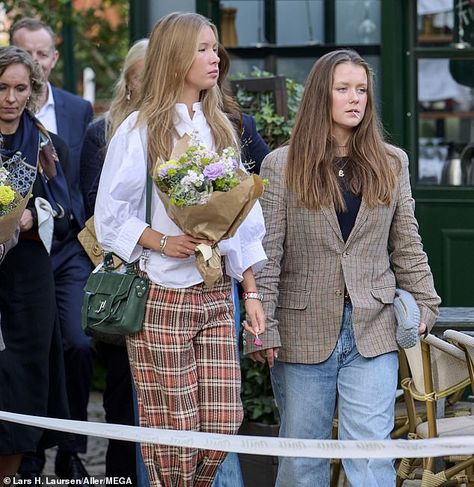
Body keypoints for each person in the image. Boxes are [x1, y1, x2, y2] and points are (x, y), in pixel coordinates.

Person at [245, 49, 441, 487]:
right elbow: (268, 254)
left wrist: (426, 304)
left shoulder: (391, 162)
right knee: (302, 459)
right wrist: (263, 327)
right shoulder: (282, 164)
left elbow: (407, 242)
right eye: (343, 89)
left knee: (371, 456)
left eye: (362, 90)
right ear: (321, 96)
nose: (356, 99)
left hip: (374, 329)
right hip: (301, 331)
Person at [94, 12, 267, 487]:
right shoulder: (139, 130)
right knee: (174, 427)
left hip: (215, 295)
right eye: (204, 49)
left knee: (222, 420)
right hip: (160, 295)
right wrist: (163, 240)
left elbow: (243, 221)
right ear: (175, 58)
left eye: (215, 48)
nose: (216, 58)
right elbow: (109, 216)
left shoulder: (222, 129)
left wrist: (250, 292)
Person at [10, 18, 94, 480]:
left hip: (67, 249)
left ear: (53, 59)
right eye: (29, 54)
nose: (38, 62)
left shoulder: (77, 109)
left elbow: (77, 183)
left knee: (78, 346)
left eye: (44, 55)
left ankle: (71, 446)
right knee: (33, 350)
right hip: (19, 254)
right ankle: (29, 452)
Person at [0, 45, 71, 484]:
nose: (10, 98)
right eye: (2, 87)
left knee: (21, 380)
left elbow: (67, 210)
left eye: (19, 88)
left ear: (33, 90)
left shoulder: (47, 144)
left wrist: (31, 214)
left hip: (27, 280)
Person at [80, 38, 149, 486]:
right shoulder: (102, 132)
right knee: (124, 393)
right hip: (124, 282)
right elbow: (91, 206)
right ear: (129, 80)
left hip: (176, 276)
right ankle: (123, 478)